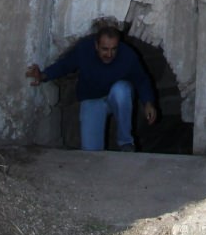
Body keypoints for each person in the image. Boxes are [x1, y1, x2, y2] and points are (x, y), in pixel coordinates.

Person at [26, 17, 157, 152]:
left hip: (116, 97)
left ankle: (126, 143)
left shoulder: (128, 54)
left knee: (122, 90)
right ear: (96, 45)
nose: (109, 54)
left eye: (114, 49)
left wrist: (148, 102)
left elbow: (141, 79)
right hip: (92, 100)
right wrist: (43, 76)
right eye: (105, 49)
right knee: (90, 153)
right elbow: (64, 65)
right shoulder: (84, 50)